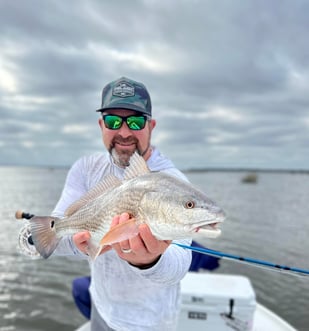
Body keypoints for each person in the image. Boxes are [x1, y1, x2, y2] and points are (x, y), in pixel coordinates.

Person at [51, 77, 193, 331]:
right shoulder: (86, 169)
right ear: (101, 125)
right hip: (102, 308)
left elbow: (180, 262)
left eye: (136, 121)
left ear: (151, 126)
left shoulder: (172, 184)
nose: (124, 132)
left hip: (152, 322)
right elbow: (53, 234)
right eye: (113, 121)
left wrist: (148, 261)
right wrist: (80, 243)